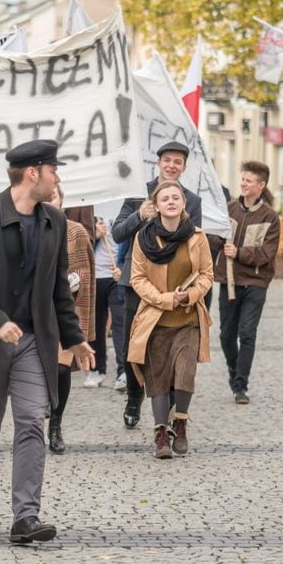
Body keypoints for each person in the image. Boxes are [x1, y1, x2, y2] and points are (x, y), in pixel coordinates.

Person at [0, 139, 94, 544]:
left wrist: (75, 338)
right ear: (34, 174)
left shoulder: (54, 222)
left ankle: (26, 516)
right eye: (53, 171)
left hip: (34, 342)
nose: (57, 178)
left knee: (31, 421)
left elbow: (59, 291)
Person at [111, 141, 203, 429]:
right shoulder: (139, 194)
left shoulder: (191, 200)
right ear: (159, 163)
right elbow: (117, 233)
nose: (172, 165)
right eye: (167, 160)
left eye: (178, 162)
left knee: (171, 343)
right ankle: (134, 399)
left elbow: (195, 245)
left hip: (174, 286)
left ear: (184, 167)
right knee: (133, 345)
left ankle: (170, 405)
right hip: (136, 281)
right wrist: (141, 215)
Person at [125, 180, 214, 459]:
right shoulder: (144, 238)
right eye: (165, 199)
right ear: (157, 205)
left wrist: (188, 296)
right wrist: (166, 299)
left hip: (188, 318)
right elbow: (137, 279)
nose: (171, 202)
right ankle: (161, 433)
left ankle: (181, 423)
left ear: (184, 203)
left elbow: (207, 274)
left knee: (185, 372)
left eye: (176, 197)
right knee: (158, 379)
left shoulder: (197, 236)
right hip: (155, 320)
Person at [214, 161, 280, 405]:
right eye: (242, 179)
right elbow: (215, 239)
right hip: (228, 281)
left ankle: (241, 385)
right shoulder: (228, 209)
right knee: (226, 336)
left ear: (261, 185)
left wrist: (238, 252)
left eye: (249, 181)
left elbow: (267, 253)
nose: (243, 183)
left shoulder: (270, 217)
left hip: (255, 282)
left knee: (247, 333)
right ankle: (234, 372)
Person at [47, 184, 95, 454]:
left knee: (61, 368)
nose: (49, 199)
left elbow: (82, 278)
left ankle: (55, 424)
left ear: (62, 200)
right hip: (30, 313)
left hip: (64, 309)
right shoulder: (22, 229)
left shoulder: (75, 231)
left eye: (54, 195)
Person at [91, 216, 127, 391]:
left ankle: (123, 370)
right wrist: (95, 234)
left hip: (116, 273)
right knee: (97, 323)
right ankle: (97, 368)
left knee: (120, 322)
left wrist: (125, 267)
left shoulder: (125, 207)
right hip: (95, 274)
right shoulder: (91, 208)